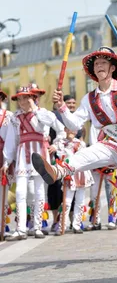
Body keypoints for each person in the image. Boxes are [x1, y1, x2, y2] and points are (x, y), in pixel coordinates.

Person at [31, 46, 117, 260]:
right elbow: (75, 123)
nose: (99, 66)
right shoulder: (89, 98)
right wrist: (61, 107)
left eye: (104, 62)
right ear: (93, 70)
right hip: (108, 144)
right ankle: (57, 171)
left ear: (112, 67)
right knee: (84, 155)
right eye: (96, 63)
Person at [1, 85, 65, 241]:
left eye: (26, 97)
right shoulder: (15, 118)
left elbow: (60, 129)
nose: (22, 101)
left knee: (38, 191)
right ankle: (21, 228)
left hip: (39, 155)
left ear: (33, 98)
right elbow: (11, 141)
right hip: (23, 156)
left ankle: (37, 226)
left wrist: (56, 145)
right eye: (20, 98)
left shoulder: (42, 114)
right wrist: (7, 161)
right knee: (21, 192)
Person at [53, 126, 94, 235]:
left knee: (80, 200)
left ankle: (77, 224)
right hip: (69, 174)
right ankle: (63, 225)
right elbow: (60, 156)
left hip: (80, 173)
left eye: (73, 129)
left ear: (76, 131)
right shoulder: (60, 143)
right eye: (68, 128)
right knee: (66, 201)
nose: (71, 131)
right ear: (65, 129)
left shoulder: (81, 144)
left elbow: (83, 157)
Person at [0, 89, 13, 240]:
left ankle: (2, 226)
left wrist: (7, 160)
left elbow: (10, 139)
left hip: (2, 154)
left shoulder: (8, 116)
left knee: (3, 193)